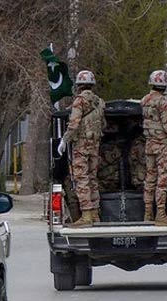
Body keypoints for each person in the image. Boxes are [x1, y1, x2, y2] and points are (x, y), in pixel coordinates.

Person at [57, 70, 106, 227]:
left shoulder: (79, 101)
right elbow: (103, 124)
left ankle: (86, 216)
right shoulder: (99, 102)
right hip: (95, 145)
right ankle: (95, 214)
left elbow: (74, 123)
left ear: (78, 85)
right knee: (92, 179)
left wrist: (64, 140)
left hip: (81, 146)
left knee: (81, 179)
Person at [141, 70, 167, 225]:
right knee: (163, 180)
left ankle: (147, 213)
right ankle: (161, 214)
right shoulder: (163, 103)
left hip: (149, 144)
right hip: (162, 146)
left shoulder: (144, 100)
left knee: (150, 179)